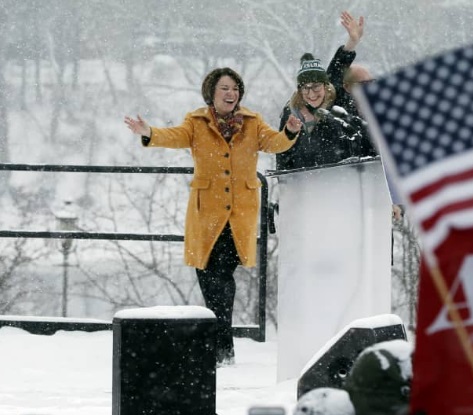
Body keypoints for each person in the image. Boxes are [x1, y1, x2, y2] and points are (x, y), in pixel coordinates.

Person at [124, 67, 302, 366]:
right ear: (211, 93)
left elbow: (275, 143)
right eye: (224, 88)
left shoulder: (252, 122)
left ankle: (222, 347)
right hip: (206, 212)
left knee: (222, 275)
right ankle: (221, 344)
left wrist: (291, 132)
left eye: (234, 88)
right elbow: (175, 136)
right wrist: (149, 133)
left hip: (239, 213)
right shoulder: (196, 122)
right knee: (207, 276)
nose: (230, 93)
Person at [276, 11, 367, 171]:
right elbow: (283, 152)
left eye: (316, 86)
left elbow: (338, 66)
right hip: (308, 183)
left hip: (344, 178)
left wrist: (352, 42)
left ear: (325, 85)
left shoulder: (338, 101)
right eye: (306, 88)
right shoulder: (291, 111)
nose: (312, 94)